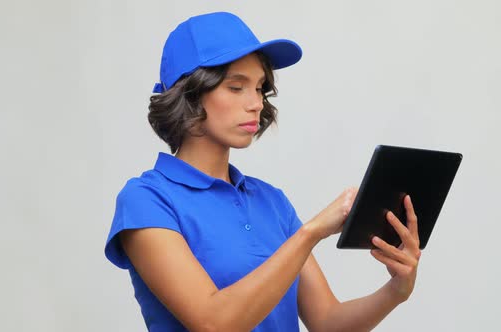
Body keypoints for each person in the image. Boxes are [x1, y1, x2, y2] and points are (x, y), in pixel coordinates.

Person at [105, 11, 421, 332]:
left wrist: (395, 291)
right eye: (236, 87)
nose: (256, 102)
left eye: (259, 87)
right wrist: (310, 233)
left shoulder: (271, 201)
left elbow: (327, 322)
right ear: (189, 94)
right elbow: (213, 323)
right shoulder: (147, 200)